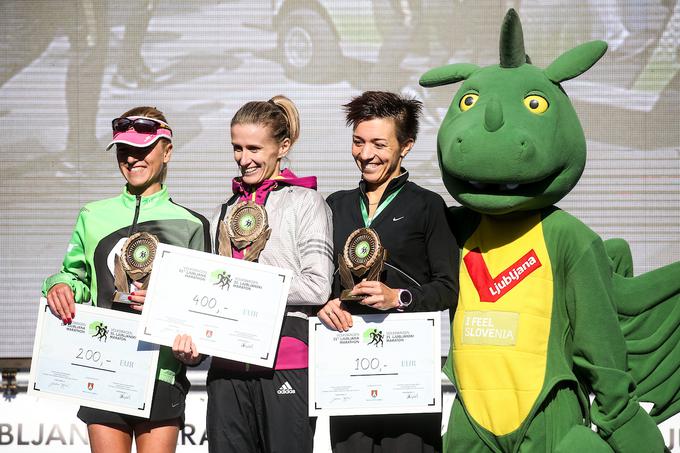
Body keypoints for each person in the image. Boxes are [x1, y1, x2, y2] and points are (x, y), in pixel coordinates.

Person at [42, 106, 210, 453]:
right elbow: (76, 277)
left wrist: (180, 329)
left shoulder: (192, 224)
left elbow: (199, 308)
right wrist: (57, 284)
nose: (132, 158)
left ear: (167, 151)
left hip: (161, 374)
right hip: (102, 368)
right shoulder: (93, 214)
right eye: (124, 150)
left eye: (143, 149)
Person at [318, 91, 459, 453]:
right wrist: (325, 304)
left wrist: (398, 297)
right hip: (347, 363)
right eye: (358, 142)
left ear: (406, 146)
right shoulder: (335, 205)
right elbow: (322, 281)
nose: (366, 154)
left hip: (406, 367)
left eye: (379, 144)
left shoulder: (428, 206)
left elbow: (447, 288)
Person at [195, 95, 334, 453]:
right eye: (237, 148)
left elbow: (318, 287)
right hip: (226, 366)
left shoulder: (306, 202)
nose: (244, 159)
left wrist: (250, 287)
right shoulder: (222, 211)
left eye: (254, 148)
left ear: (282, 146)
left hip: (285, 360)